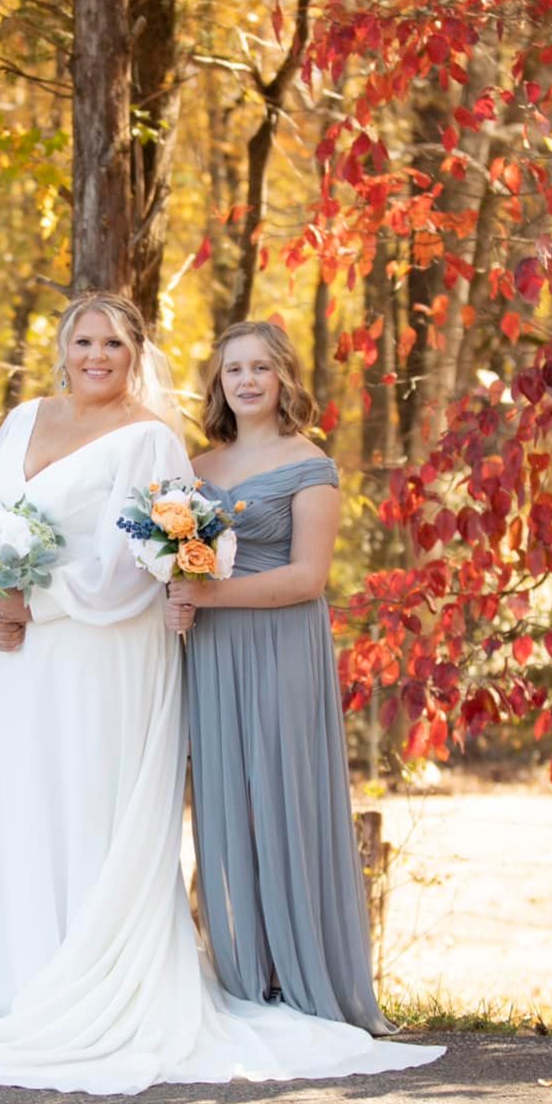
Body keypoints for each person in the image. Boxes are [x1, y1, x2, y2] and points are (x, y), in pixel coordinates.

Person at [0, 292, 443, 1093]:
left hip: (102, 650)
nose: (96, 356)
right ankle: (4, 980)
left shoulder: (154, 440)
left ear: (134, 352)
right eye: (83, 340)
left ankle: (93, 981)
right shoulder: (20, 421)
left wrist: (33, 601)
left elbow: (135, 565)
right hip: (14, 659)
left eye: (113, 343)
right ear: (64, 346)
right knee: (16, 806)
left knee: (87, 808)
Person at [167, 320, 391, 1034]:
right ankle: (243, 977)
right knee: (226, 803)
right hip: (212, 652)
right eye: (235, 369)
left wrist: (206, 596)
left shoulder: (309, 464)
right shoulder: (195, 470)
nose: (248, 380)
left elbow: (307, 578)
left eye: (262, 367)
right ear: (219, 382)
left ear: (285, 378)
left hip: (280, 646)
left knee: (283, 801)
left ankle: (305, 979)